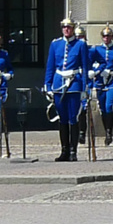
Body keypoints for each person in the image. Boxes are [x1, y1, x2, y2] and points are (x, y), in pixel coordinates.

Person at [44, 13, 90, 162]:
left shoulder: (80, 45)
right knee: (62, 118)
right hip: (58, 82)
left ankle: (73, 151)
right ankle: (64, 150)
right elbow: (50, 65)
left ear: (73, 29)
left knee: (73, 118)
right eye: (64, 27)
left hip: (74, 84)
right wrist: (48, 85)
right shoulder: (55, 44)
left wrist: (84, 88)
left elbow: (85, 66)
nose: (66, 30)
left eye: (69, 27)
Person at [89, 23, 113, 146]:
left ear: (112, 37)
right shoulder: (96, 49)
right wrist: (95, 69)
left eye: (108, 36)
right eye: (104, 36)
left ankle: (109, 131)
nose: (106, 38)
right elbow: (89, 62)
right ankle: (106, 129)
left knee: (109, 105)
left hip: (112, 79)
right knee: (102, 107)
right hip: (99, 79)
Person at [74, 24, 90, 145]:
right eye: (77, 36)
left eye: (81, 36)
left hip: (87, 81)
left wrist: (96, 70)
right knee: (75, 108)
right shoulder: (72, 49)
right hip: (75, 81)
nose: (80, 38)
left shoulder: (90, 50)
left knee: (84, 109)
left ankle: (82, 133)